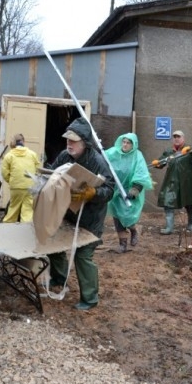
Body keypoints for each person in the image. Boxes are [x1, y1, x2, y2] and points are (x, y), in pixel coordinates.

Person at [47, 117, 115, 310]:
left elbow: (110, 190)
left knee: (83, 257)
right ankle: (59, 279)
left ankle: (90, 299)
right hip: (67, 214)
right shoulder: (64, 156)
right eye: (67, 140)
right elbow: (52, 174)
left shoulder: (98, 162)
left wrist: (94, 193)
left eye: (73, 141)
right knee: (55, 245)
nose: (69, 144)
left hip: (90, 219)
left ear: (84, 142)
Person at [105, 133, 153, 253]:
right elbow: (102, 160)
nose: (125, 145)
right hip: (116, 191)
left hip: (130, 191)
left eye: (128, 143)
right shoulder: (112, 153)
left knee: (128, 217)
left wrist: (135, 189)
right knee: (117, 217)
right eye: (124, 142)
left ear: (133, 145)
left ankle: (133, 230)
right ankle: (123, 244)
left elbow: (141, 174)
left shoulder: (137, 156)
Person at [152, 130, 192, 234]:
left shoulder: (189, 150)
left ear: (183, 139)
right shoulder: (168, 152)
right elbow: (161, 162)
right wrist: (157, 163)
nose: (176, 138)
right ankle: (169, 228)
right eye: (174, 137)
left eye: (178, 137)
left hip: (187, 182)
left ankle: (190, 225)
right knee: (168, 202)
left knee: (189, 203)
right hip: (172, 182)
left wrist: (191, 150)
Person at [1, 133, 41, 223]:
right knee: (27, 210)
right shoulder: (32, 154)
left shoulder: (9, 156)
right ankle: (25, 230)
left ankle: (7, 228)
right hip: (30, 186)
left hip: (16, 187)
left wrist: (11, 181)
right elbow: (38, 170)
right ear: (23, 142)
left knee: (13, 208)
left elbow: (4, 173)